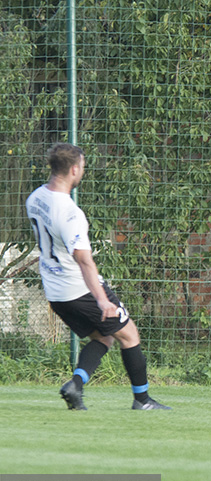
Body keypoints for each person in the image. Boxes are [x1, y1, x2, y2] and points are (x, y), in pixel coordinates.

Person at [25, 143, 170, 411]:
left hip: (56, 293)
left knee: (104, 338)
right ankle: (143, 400)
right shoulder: (70, 213)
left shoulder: (35, 198)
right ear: (74, 169)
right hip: (79, 290)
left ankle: (75, 386)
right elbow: (84, 260)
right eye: (82, 168)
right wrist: (102, 300)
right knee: (130, 335)